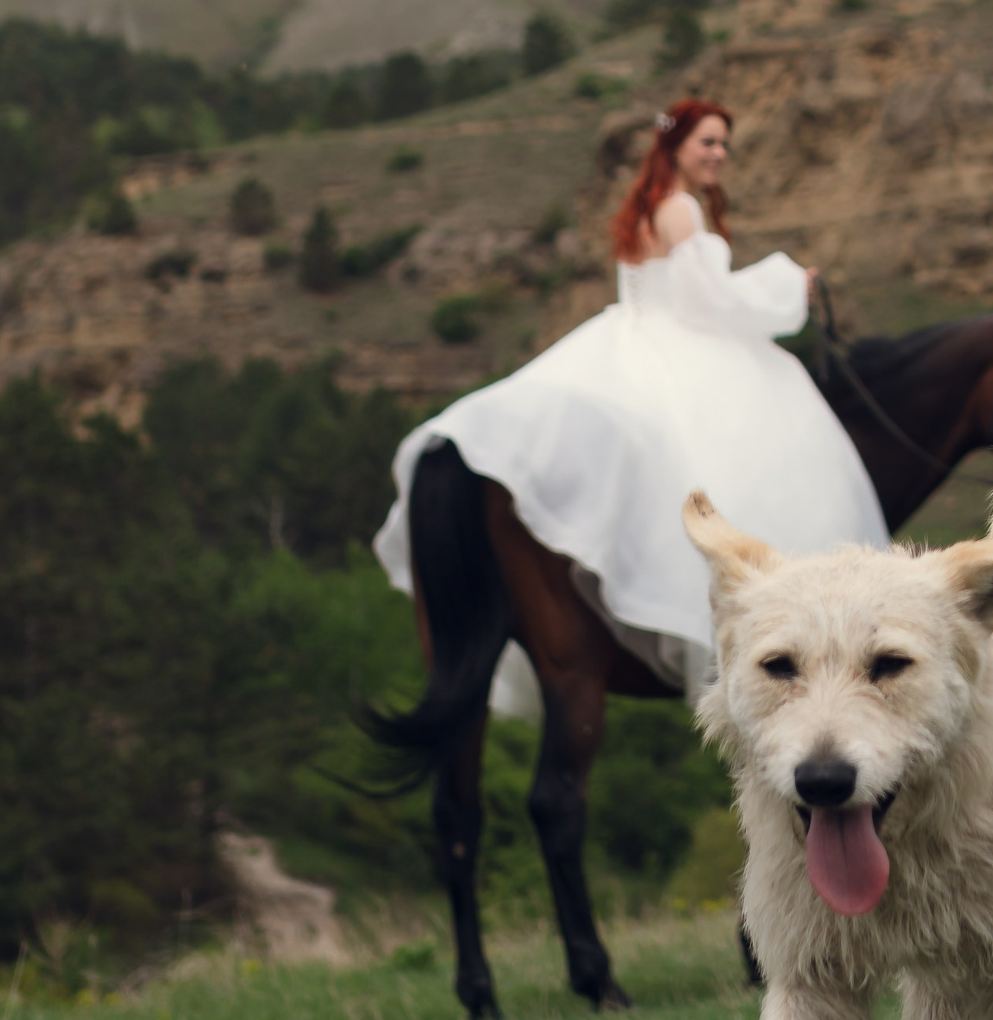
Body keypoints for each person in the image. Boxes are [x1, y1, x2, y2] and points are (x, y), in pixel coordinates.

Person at [373, 97, 886, 712]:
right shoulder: (681, 210)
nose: (719, 154)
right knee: (755, 461)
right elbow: (709, 303)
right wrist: (785, 286)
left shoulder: (648, 207)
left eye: (725, 144)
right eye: (708, 142)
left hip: (631, 333)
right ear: (675, 149)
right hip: (680, 342)